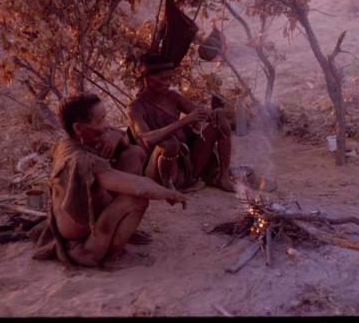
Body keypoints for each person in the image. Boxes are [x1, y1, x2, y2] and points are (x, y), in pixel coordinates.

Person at [30, 93, 187, 267]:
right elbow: (139, 187)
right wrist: (170, 193)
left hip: (89, 224)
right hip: (83, 246)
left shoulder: (73, 141)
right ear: (78, 128)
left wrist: (117, 137)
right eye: (100, 121)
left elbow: (125, 140)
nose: (106, 126)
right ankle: (109, 256)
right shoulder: (80, 158)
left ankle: (114, 232)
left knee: (132, 154)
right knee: (137, 199)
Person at [127, 53, 235, 193]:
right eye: (162, 79)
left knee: (221, 124)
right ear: (147, 78)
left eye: (169, 78)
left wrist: (216, 112)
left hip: (186, 163)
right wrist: (185, 121)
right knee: (169, 143)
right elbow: (147, 139)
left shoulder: (172, 97)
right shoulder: (136, 107)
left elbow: (199, 113)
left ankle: (223, 177)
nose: (167, 83)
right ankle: (168, 187)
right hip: (157, 169)